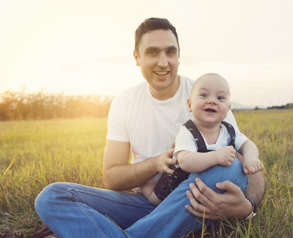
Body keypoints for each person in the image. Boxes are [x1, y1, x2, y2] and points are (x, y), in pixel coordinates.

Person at [35, 17, 265, 238]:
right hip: (145, 201)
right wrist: (155, 164)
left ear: (179, 56)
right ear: (137, 57)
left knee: (228, 165)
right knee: (52, 197)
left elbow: (250, 168)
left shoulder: (206, 95)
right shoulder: (125, 103)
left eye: (170, 52)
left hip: (194, 198)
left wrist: (247, 208)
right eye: (153, 52)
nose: (163, 62)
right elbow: (113, 177)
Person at [143, 73, 263, 205]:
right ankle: (147, 188)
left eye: (220, 97)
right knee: (154, 200)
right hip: (175, 187)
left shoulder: (229, 131)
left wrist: (251, 158)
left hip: (208, 186)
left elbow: (248, 145)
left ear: (228, 109)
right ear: (189, 104)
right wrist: (216, 157)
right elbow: (185, 162)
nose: (212, 101)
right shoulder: (187, 131)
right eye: (203, 95)